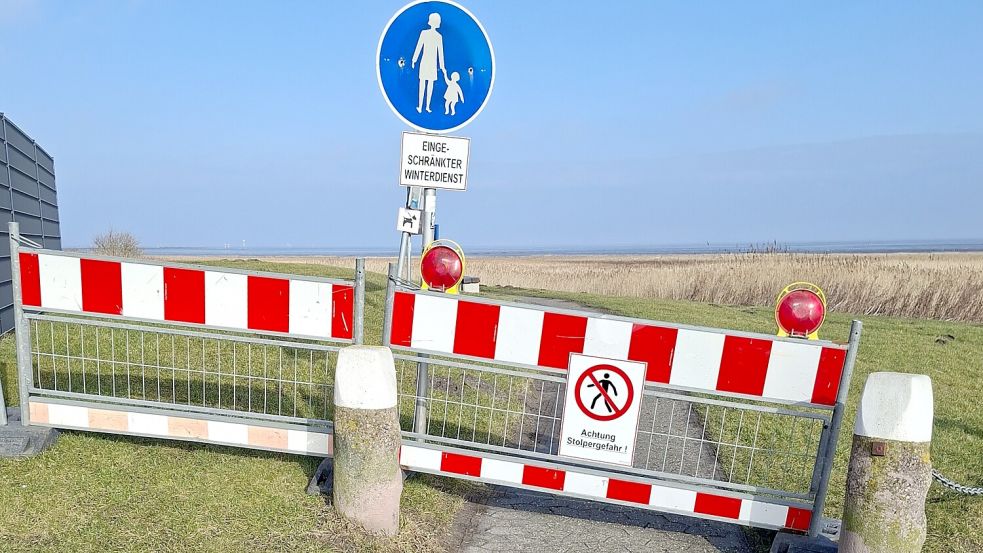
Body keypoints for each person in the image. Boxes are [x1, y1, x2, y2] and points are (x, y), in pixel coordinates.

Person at [411, 13, 445, 114]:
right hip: (425, 62)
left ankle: (426, 106)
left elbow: (440, 53)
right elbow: (419, 47)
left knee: (429, 85)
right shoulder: (424, 33)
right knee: (424, 84)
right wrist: (414, 59)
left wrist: (442, 66)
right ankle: (421, 106)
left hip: (431, 64)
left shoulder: (439, 36)